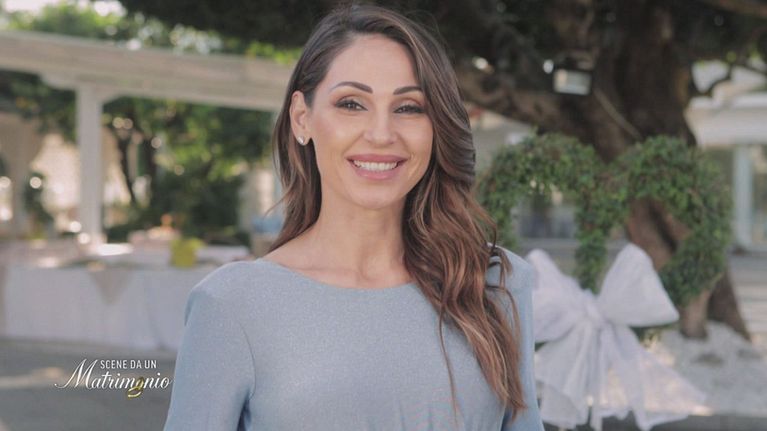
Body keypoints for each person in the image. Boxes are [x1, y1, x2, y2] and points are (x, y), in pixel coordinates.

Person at [163, 3, 543, 430]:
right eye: (351, 103)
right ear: (302, 119)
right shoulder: (232, 305)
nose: (381, 134)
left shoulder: (493, 284)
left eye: (409, 107)